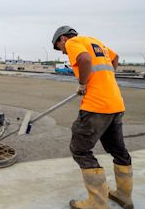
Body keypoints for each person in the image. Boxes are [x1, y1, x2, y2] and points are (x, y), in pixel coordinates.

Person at [51, 26, 133, 209]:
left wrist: (83, 84)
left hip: (96, 106)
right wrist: (104, 80)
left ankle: (97, 202)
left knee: (80, 150)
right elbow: (115, 57)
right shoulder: (95, 42)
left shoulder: (73, 42)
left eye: (60, 48)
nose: (64, 53)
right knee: (118, 150)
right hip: (115, 103)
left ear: (63, 39)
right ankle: (124, 196)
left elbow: (84, 59)